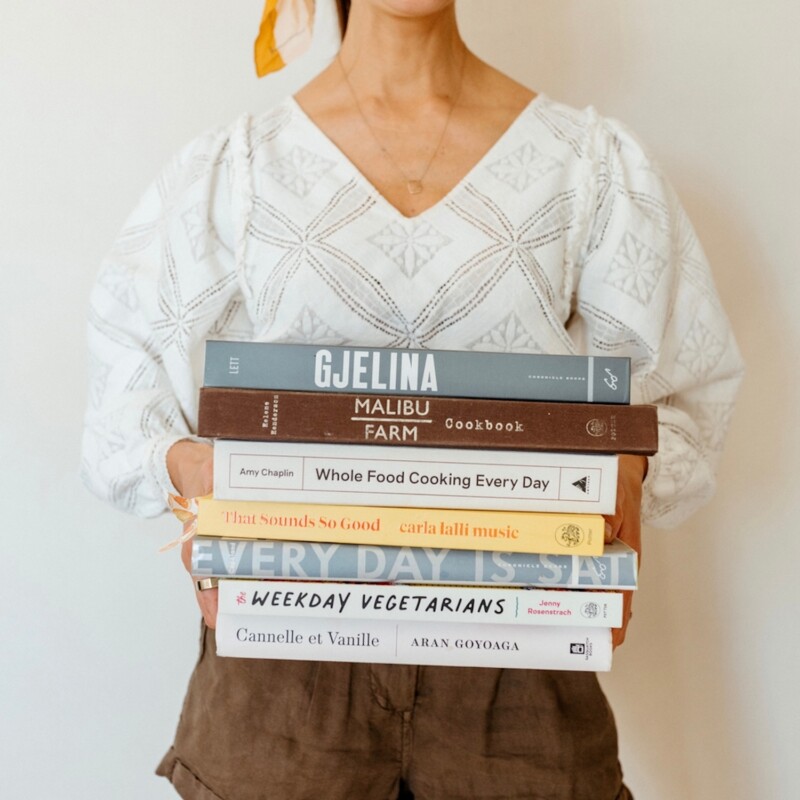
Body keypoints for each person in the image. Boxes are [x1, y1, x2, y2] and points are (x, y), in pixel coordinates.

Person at [81, 1, 744, 798]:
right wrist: (189, 471)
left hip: (519, 682)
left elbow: (676, 392)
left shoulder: (590, 166)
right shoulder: (235, 171)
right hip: (284, 687)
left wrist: (630, 469)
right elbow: (124, 399)